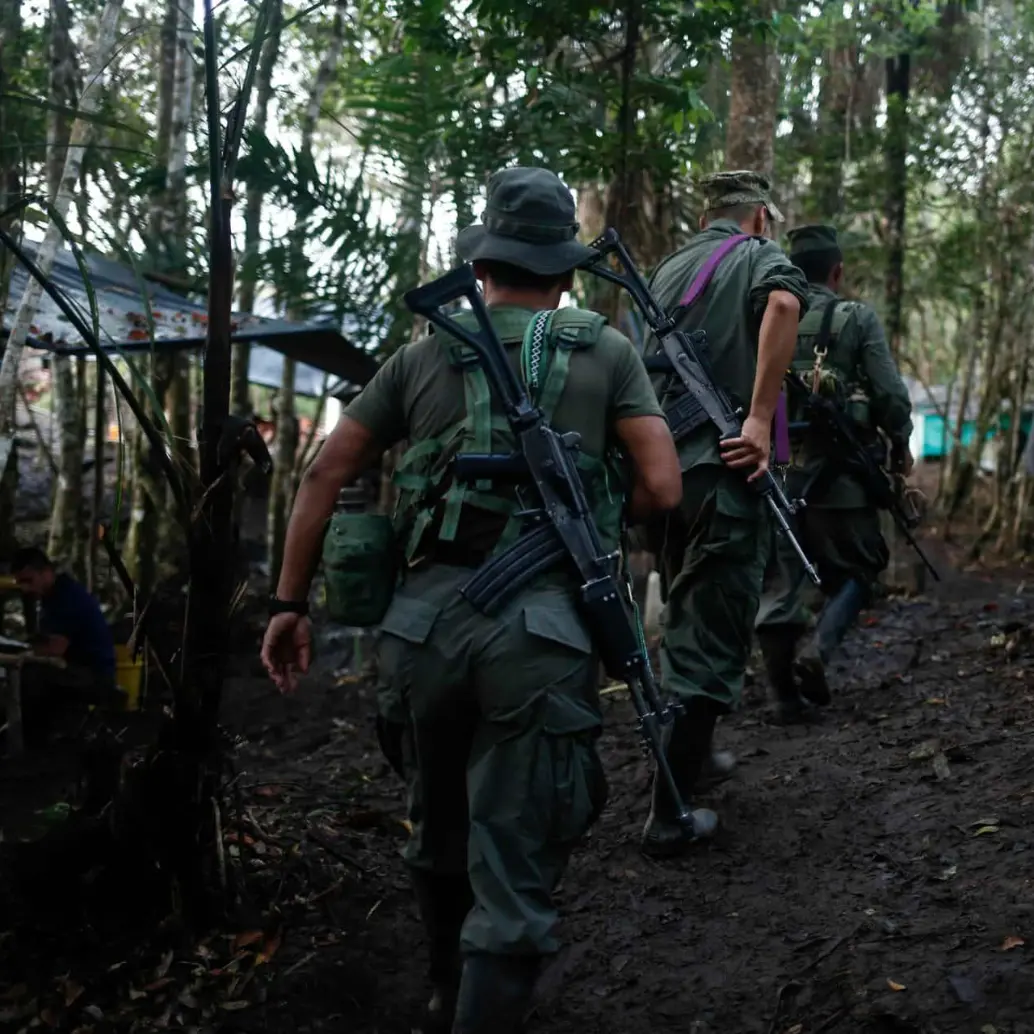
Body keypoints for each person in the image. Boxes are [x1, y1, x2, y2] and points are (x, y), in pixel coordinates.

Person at [260, 166, 684, 1034]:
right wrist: (593, 509)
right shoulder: (605, 350)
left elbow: (324, 475)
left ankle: (441, 986)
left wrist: (288, 604)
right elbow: (665, 489)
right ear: (565, 271)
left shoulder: (422, 354)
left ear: (483, 267)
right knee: (515, 869)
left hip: (419, 632)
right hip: (542, 633)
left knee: (437, 822)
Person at [639, 170, 810, 859]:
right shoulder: (757, 256)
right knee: (713, 630)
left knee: (685, 612)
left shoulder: (666, 267)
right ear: (761, 216)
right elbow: (784, 308)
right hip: (723, 469)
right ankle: (667, 815)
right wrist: (762, 417)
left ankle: (697, 758)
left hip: (659, 475)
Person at [755, 224, 913, 722]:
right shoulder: (853, 318)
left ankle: (783, 699)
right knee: (861, 568)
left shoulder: (765, 317)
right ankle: (818, 650)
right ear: (837, 271)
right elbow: (888, 393)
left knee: (783, 585)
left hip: (775, 474)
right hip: (839, 478)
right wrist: (901, 442)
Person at [10, 547, 118, 744]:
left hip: (95, 675)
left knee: (31, 675)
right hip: (75, 669)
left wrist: (24, 653)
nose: (25, 589)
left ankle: (34, 744)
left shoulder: (66, 598)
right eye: (20, 583)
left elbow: (55, 648)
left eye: (28, 580)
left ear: (46, 572)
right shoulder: (51, 597)